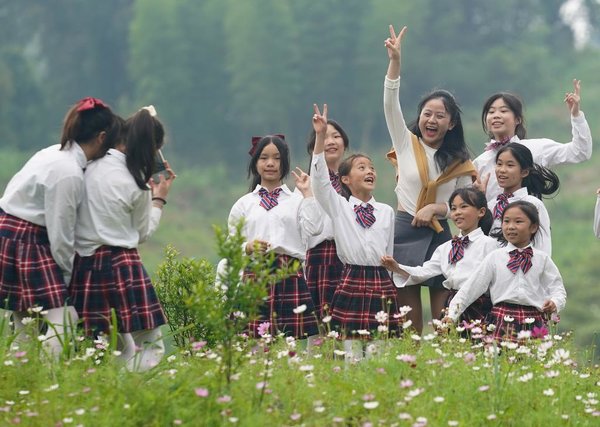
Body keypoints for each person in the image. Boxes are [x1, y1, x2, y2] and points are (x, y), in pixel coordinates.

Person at [0, 97, 121, 356]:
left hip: (11, 232)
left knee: (25, 318)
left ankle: (20, 374)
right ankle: (50, 376)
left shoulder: (53, 152)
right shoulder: (68, 172)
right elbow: (61, 233)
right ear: (102, 137)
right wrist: (66, 277)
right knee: (64, 317)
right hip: (27, 239)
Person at [383, 25, 476, 334]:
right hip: (404, 231)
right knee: (409, 322)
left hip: (440, 236)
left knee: (444, 319)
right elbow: (389, 103)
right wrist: (395, 62)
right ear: (420, 116)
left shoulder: (461, 163)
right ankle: (411, 373)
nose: (431, 120)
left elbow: (465, 206)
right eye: (427, 113)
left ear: (451, 123)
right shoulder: (405, 142)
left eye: (440, 116)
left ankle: (443, 369)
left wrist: (438, 209)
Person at [70, 105, 175, 371]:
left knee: (98, 343)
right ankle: (134, 395)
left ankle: (96, 392)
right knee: (147, 343)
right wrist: (159, 198)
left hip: (86, 266)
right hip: (122, 265)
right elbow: (143, 233)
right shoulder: (137, 184)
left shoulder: (86, 166)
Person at [311, 104, 400, 362]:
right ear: (346, 180)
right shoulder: (339, 207)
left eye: (371, 168)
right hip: (351, 277)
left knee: (379, 352)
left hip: (380, 280)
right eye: (361, 167)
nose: (369, 171)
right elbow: (319, 183)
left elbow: (389, 253)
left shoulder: (385, 211)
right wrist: (320, 136)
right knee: (352, 354)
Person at [228, 134, 320, 341]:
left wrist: (308, 195)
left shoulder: (297, 200)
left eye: (277, 158)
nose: (270, 163)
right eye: (264, 157)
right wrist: (248, 247)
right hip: (255, 275)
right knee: (253, 341)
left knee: (290, 342)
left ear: (285, 162)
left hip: (290, 274)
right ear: (255, 163)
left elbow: (314, 229)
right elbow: (231, 246)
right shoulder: (243, 204)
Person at [444, 201, 566, 342]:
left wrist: (554, 302)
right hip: (500, 319)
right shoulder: (495, 257)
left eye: (518, 222)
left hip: (534, 321)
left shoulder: (542, 259)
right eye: (506, 221)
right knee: (499, 361)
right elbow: (471, 288)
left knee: (533, 362)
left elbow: (558, 290)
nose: (510, 227)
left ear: (533, 227)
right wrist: (452, 314)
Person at [381, 187, 498, 325]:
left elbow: (481, 282)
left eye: (464, 207)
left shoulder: (490, 245)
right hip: (451, 304)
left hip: (478, 304)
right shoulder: (446, 247)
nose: (457, 213)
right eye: (453, 209)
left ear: (481, 211)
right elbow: (424, 271)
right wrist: (397, 267)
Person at [474, 80, 592, 202]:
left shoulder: (535, 149)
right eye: (491, 112)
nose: (496, 115)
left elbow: (580, 152)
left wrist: (576, 115)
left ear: (518, 119)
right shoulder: (479, 163)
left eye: (503, 111)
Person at [300, 119, 349, 319]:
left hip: (348, 256)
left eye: (336, 136)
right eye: (324, 137)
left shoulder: (353, 181)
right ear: (314, 149)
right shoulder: (306, 184)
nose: (331, 141)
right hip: (321, 258)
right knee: (320, 326)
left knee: (348, 323)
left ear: (345, 144)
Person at [488, 143, 559, 255]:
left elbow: (543, 246)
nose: (502, 170)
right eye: (499, 164)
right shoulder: (491, 205)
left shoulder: (533, 204)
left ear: (524, 172)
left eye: (510, 165)